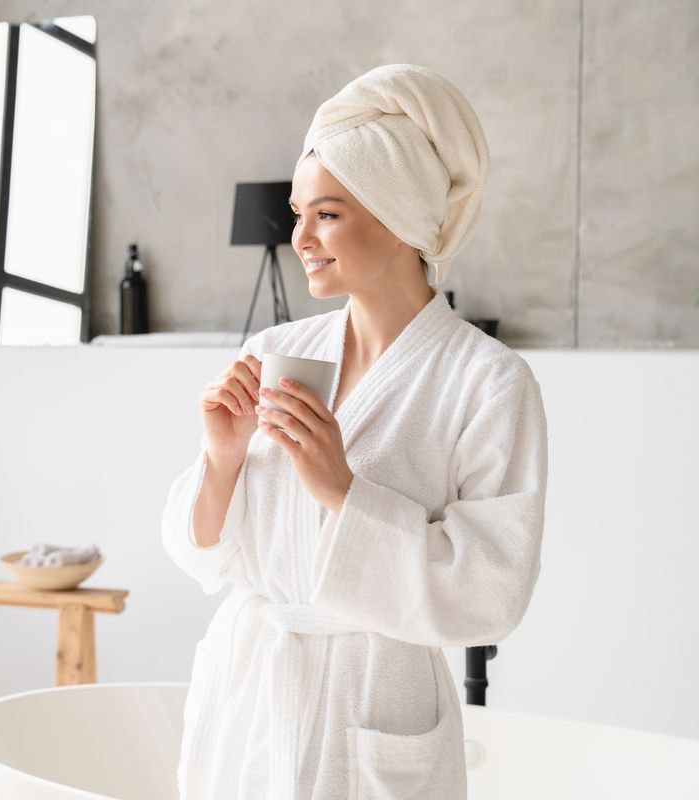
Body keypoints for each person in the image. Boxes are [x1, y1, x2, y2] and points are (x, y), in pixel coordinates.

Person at [161, 64, 549, 799]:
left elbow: (491, 592)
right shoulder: (283, 350)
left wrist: (343, 492)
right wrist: (222, 458)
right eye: (298, 212)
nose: (300, 236)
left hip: (373, 701)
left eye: (328, 214)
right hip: (251, 694)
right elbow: (204, 556)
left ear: (401, 219)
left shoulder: (487, 382)